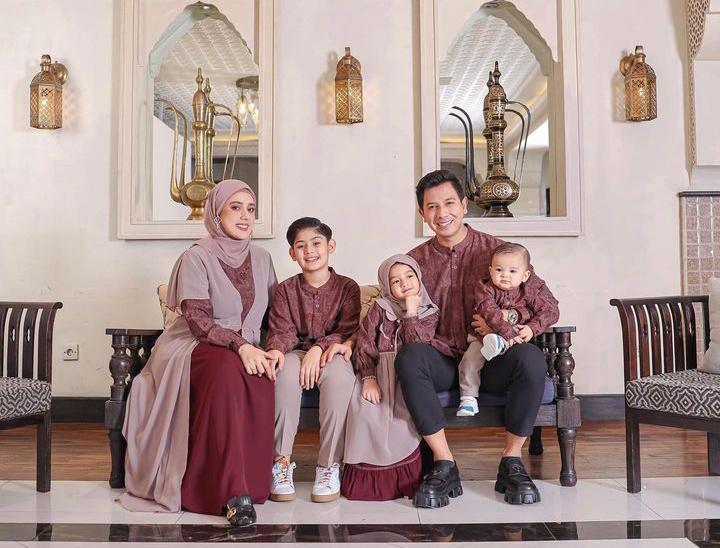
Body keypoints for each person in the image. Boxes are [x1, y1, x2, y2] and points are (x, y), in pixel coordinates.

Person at [119, 180, 277, 527]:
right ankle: (232, 493)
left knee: (262, 377)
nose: (245, 216)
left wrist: (275, 349)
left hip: (245, 349)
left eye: (250, 209)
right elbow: (198, 321)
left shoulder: (263, 259)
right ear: (216, 212)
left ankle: (252, 483)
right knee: (227, 373)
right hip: (194, 346)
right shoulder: (196, 257)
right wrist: (242, 346)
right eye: (235, 207)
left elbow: (275, 316)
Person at [398, 169, 559, 508]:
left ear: (464, 204)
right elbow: (406, 322)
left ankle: (512, 461)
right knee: (410, 357)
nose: (442, 213)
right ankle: (444, 463)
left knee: (531, 358)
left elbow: (544, 303)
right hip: (443, 360)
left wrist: (510, 322)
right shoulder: (414, 263)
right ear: (422, 213)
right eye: (432, 207)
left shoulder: (498, 252)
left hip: (494, 359)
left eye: (449, 203)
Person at [342, 254, 453, 501]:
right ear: (386, 286)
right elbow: (365, 344)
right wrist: (368, 377)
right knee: (365, 410)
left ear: (419, 278)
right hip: (378, 373)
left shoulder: (429, 311)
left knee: (403, 419)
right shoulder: (379, 309)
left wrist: (411, 312)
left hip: (408, 377)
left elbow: (415, 346)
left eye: (410, 276)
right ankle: (369, 483)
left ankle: (409, 479)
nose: (404, 284)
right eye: (395, 281)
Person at [266, 217, 360, 503]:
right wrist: (277, 352)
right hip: (295, 351)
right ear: (292, 253)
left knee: (339, 378)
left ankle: (328, 466)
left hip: (333, 352)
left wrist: (319, 349)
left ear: (330, 246)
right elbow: (282, 332)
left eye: (316, 243)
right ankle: (280, 464)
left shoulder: (348, 287)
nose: (309, 251)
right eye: (301, 246)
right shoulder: (285, 290)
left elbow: (348, 329)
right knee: (284, 373)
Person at [457, 242, 559, 417]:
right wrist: (507, 332)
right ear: (490, 271)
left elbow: (551, 311)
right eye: (499, 270)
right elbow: (489, 311)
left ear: (525, 275)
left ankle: (501, 344)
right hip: (483, 337)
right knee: (470, 360)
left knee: (523, 354)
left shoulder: (529, 292)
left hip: (514, 341)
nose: (505, 275)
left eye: (512, 271)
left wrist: (532, 328)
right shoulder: (485, 288)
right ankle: (468, 398)